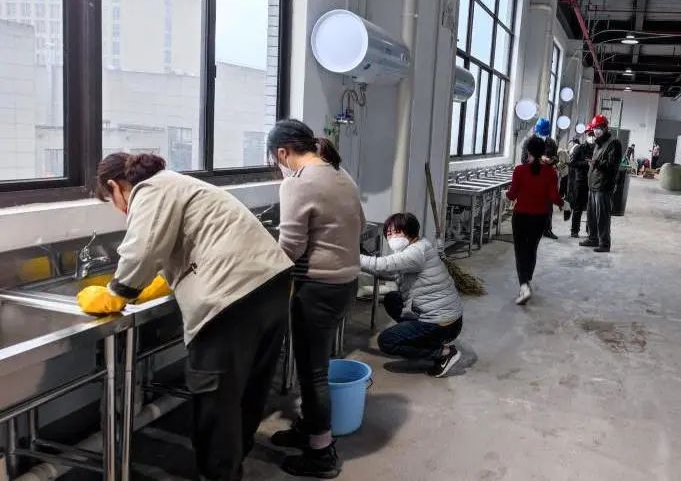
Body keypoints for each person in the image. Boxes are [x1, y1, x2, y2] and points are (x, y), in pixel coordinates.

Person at [77, 153, 294, 481]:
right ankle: (233, 465)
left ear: (115, 186)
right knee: (248, 391)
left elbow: (142, 248)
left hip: (230, 299)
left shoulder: (149, 189)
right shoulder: (178, 184)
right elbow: (184, 246)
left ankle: (219, 475)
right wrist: (156, 282)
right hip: (271, 286)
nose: (120, 210)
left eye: (113, 201)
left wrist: (117, 293)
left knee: (216, 404)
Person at [267, 119, 364, 479]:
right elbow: (359, 222)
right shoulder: (341, 173)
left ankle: (321, 452)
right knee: (316, 364)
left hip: (317, 288)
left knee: (313, 373)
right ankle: (308, 428)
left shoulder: (298, 183)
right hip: (344, 283)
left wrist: (258, 267)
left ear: (282, 152)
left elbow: (290, 247)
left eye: (275, 159)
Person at [360, 213, 464, 378]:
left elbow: (384, 264)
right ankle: (419, 342)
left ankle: (443, 353)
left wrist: (353, 257)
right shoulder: (419, 247)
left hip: (442, 324)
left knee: (387, 341)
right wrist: (362, 261)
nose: (392, 237)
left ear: (410, 231)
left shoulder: (416, 252)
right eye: (389, 234)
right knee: (392, 299)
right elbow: (390, 271)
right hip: (446, 318)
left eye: (397, 232)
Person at [507, 135, 563, 305]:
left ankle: (524, 285)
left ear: (528, 151)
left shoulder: (519, 170)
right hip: (540, 218)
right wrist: (563, 204)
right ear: (543, 151)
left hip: (521, 217)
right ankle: (527, 280)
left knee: (520, 251)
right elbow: (554, 197)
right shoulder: (551, 173)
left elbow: (512, 195)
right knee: (532, 249)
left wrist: (506, 194)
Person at [579, 114, 622, 253]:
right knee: (591, 215)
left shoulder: (613, 143)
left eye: (598, 128)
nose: (596, 131)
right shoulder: (598, 143)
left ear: (605, 128)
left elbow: (612, 166)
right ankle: (593, 238)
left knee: (602, 216)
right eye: (594, 128)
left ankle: (604, 243)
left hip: (603, 186)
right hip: (593, 184)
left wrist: (596, 163)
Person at [567, 135, 594, 237]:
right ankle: (574, 230)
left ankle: (590, 231)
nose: (592, 137)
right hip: (581, 181)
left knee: (591, 208)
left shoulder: (597, 148)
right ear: (586, 135)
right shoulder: (579, 148)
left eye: (593, 134)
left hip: (593, 181)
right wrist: (586, 163)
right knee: (578, 207)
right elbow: (572, 163)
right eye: (590, 134)